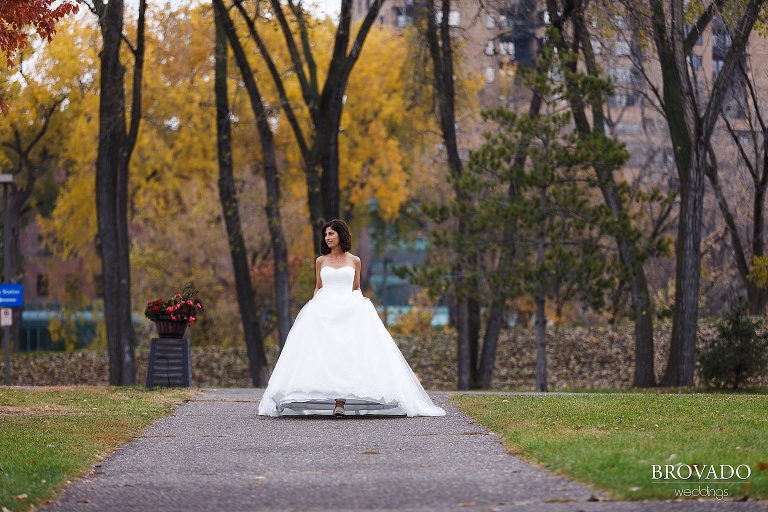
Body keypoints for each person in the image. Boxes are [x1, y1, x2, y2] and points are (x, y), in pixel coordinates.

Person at [258, 219, 445, 417]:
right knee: (322, 353)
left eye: (331, 234)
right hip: (325, 310)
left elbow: (355, 286)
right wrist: (314, 304)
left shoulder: (354, 260)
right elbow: (318, 286)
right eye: (325, 235)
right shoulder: (320, 261)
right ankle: (310, 394)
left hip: (349, 309)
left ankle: (341, 402)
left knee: (349, 354)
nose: (327, 238)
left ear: (340, 235)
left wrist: (361, 300)